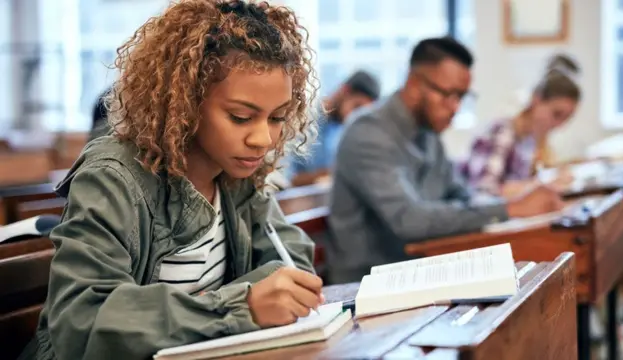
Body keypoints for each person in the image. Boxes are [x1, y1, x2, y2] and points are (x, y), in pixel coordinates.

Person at [20, 1, 323, 359]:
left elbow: (292, 265)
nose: (264, 139)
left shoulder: (237, 173)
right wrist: (237, 307)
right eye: (241, 117)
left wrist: (240, 302)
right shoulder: (111, 178)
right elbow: (81, 322)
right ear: (185, 101)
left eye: (277, 117)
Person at [327, 37, 564, 284]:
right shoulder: (368, 133)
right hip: (365, 286)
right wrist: (511, 208)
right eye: (448, 94)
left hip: (420, 272)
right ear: (414, 83)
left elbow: (461, 194)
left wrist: (503, 206)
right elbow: (411, 221)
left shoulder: (428, 133)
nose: (455, 107)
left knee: (525, 278)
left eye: (461, 97)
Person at [459, 54, 581, 196]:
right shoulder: (502, 132)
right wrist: (543, 186)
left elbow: (526, 180)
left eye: (566, 119)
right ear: (536, 100)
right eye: (556, 114)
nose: (559, 125)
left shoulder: (530, 139)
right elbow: (484, 191)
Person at [287, 70, 380, 186]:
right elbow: (287, 179)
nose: (356, 117)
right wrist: (330, 174)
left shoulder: (343, 129)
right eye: (357, 107)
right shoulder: (302, 119)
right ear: (345, 91)